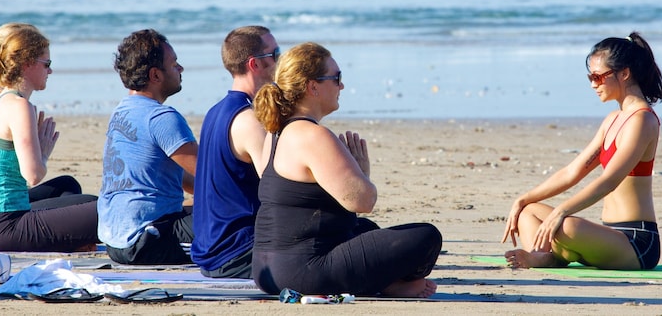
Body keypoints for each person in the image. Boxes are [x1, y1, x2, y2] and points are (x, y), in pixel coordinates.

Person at [251, 42, 441, 298]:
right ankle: (387, 286)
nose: (341, 86)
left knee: (366, 228)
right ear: (313, 86)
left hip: (267, 269)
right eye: (336, 78)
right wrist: (362, 173)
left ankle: (385, 281)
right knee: (426, 237)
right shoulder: (312, 135)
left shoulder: (276, 132)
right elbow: (363, 200)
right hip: (304, 272)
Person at [502, 32, 662, 270]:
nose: (593, 84)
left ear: (624, 73)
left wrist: (561, 211)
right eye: (590, 77)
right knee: (529, 212)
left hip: (636, 241)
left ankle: (551, 256)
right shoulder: (612, 119)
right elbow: (572, 172)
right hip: (607, 234)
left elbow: (609, 181)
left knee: (566, 225)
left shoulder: (643, 120)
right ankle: (547, 256)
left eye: (598, 77)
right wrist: (523, 199)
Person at [0, 23, 98, 253]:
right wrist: (43, 154)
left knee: (67, 186)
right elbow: (33, 175)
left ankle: (73, 240)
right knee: (108, 208)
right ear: (27, 64)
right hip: (2, 227)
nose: (50, 71)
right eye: (47, 64)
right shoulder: (18, 106)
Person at [98, 29, 198, 265]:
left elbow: (180, 175)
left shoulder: (123, 110)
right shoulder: (161, 117)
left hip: (114, 240)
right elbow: (214, 176)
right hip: (146, 241)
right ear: (155, 75)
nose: (180, 69)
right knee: (238, 221)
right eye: (174, 64)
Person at [190, 26, 278, 278]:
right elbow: (277, 187)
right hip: (237, 251)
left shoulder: (216, 111)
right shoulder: (248, 119)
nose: (281, 61)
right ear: (254, 64)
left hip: (213, 248)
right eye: (276, 54)